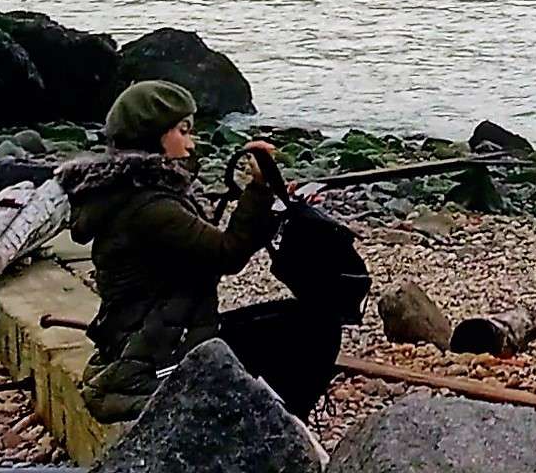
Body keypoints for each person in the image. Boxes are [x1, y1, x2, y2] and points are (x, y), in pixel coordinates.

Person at [59, 83, 360, 422]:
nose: (191, 142)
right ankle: (279, 431)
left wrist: (269, 203)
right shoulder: (150, 207)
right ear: (153, 136)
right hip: (156, 356)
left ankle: (273, 422)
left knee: (301, 319)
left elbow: (206, 248)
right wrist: (258, 190)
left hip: (166, 337)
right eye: (183, 131)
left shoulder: (138, 192)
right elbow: (225, 254)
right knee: (316, 328)